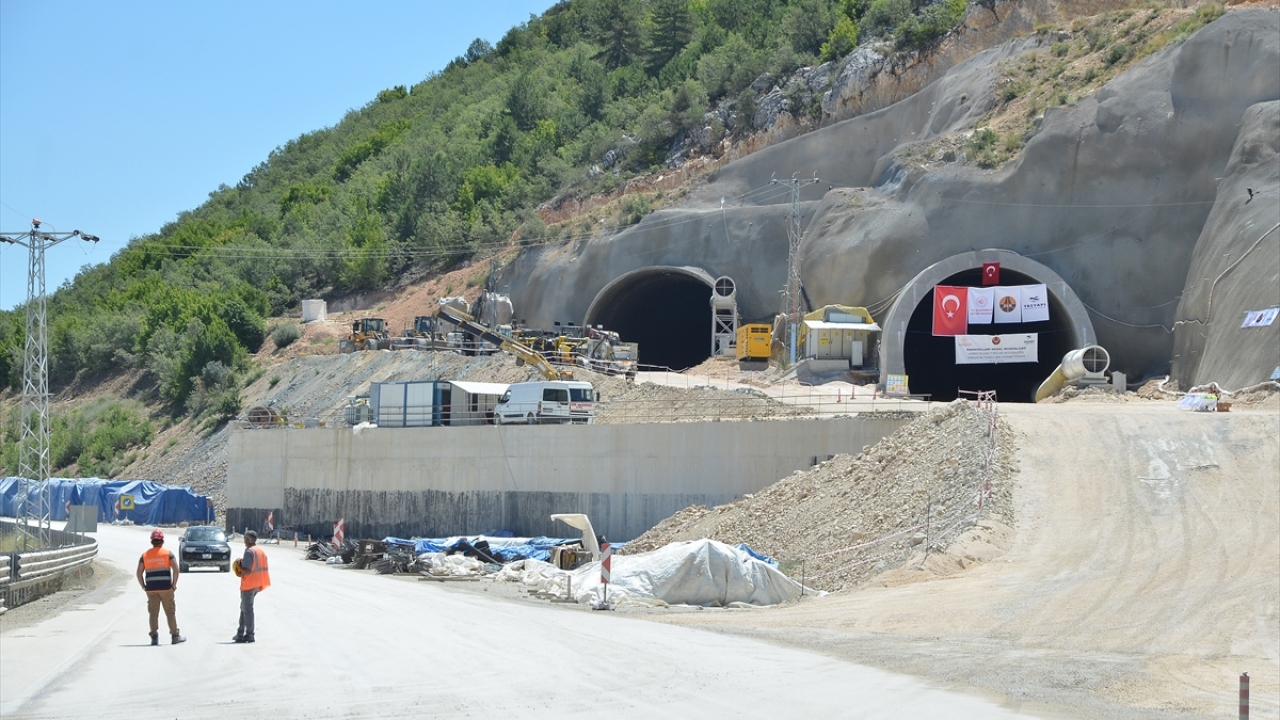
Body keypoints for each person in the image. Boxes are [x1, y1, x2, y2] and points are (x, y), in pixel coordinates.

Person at [136, 528, 185, 646]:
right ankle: (175, 636)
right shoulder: (168, 554)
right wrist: (174, 584)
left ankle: (154, 637)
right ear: (162, 541)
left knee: (153, 613)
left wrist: (144, 586)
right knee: (170, 612)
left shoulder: (145, 555)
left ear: (152, 541)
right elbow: (176, 569)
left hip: (151, 589)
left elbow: (139, 573)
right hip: (166, 588)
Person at [233, 529, 271, 643]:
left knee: (247, 610)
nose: (244, 541)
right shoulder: (260, 551)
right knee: (244, 608)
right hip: (258, 583)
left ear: (248, 540)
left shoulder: (249, 552)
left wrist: (239, 567)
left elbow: (248, 570)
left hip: (249, 584)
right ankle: (240, 633)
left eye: (245, 539)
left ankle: (250, 635)